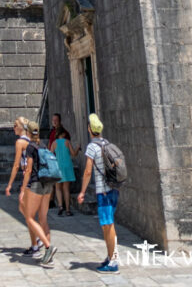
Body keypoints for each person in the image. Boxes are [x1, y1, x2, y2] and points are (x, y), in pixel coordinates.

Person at [77, 113, 119, 274]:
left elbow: (88, 171)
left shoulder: (92, 147)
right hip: (113, 189)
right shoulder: (106, 143)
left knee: (108, 226)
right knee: (108, 225)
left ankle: (113, 261)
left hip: (104, 192)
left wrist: (82, 191)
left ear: (89, 129)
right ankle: (110, 256)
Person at [20, 121, 57, 269]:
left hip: (36, 183)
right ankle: (48, 257)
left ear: (28, 133)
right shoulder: (42, 145)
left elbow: (28, 170)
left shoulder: (30, 147)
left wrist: (23, 189)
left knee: (29, 217)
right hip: (48, 183)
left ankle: (48, 247)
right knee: (43, 219)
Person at [5, 116, 40, 256]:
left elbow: (16, 164)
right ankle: (37, 238)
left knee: (29, 215)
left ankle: (36, 243)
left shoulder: (20, 142)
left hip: (28, 179)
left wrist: (9, 184)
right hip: (33, 177)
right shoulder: (30, 140)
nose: (13, 128)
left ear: (21, 127)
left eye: (15, 125)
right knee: (23, 209)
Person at [50, 125, 80, 216]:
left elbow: (50, 155)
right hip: (67, 166)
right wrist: (78, 148)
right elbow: (74, 154)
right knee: (66, 189)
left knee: (58, 188)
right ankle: (67, 210)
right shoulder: (67, 142)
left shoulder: (54, 143)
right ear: (63, 133)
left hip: (58, 166)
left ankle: (60, 206)